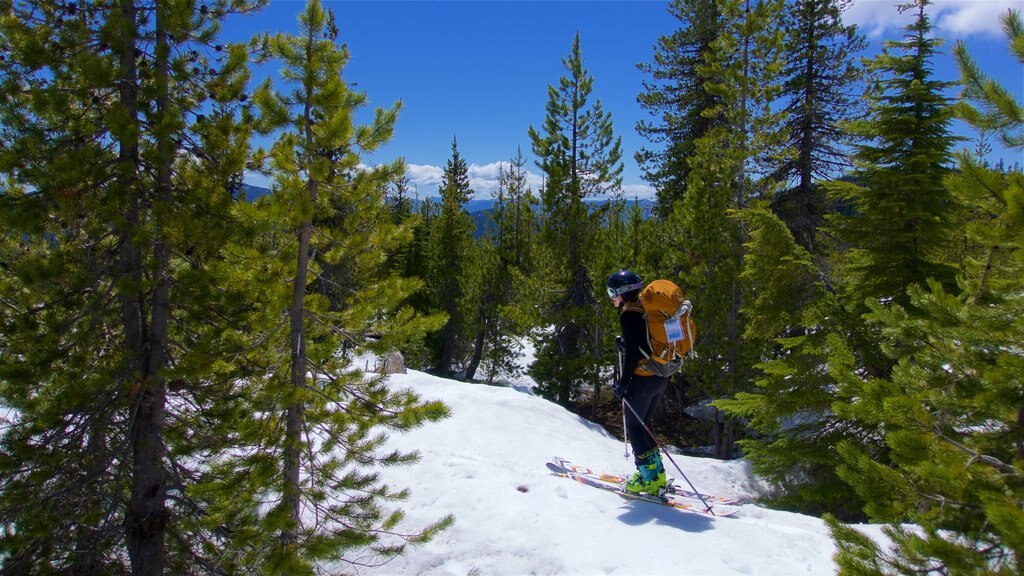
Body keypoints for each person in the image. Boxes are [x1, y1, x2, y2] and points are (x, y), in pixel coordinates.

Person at [606, 269, 669, 496]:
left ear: (623, 292)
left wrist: (623, 384)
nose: (611, 296)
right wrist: (626, 342)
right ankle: (656, 474)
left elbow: (633, 354)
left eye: (612, 291)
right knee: (645, 422)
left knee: (634, 426)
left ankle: (649, 480)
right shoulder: (645, 308)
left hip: (643, 380)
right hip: (661, 376)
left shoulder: (629, 314)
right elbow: (642, 342)